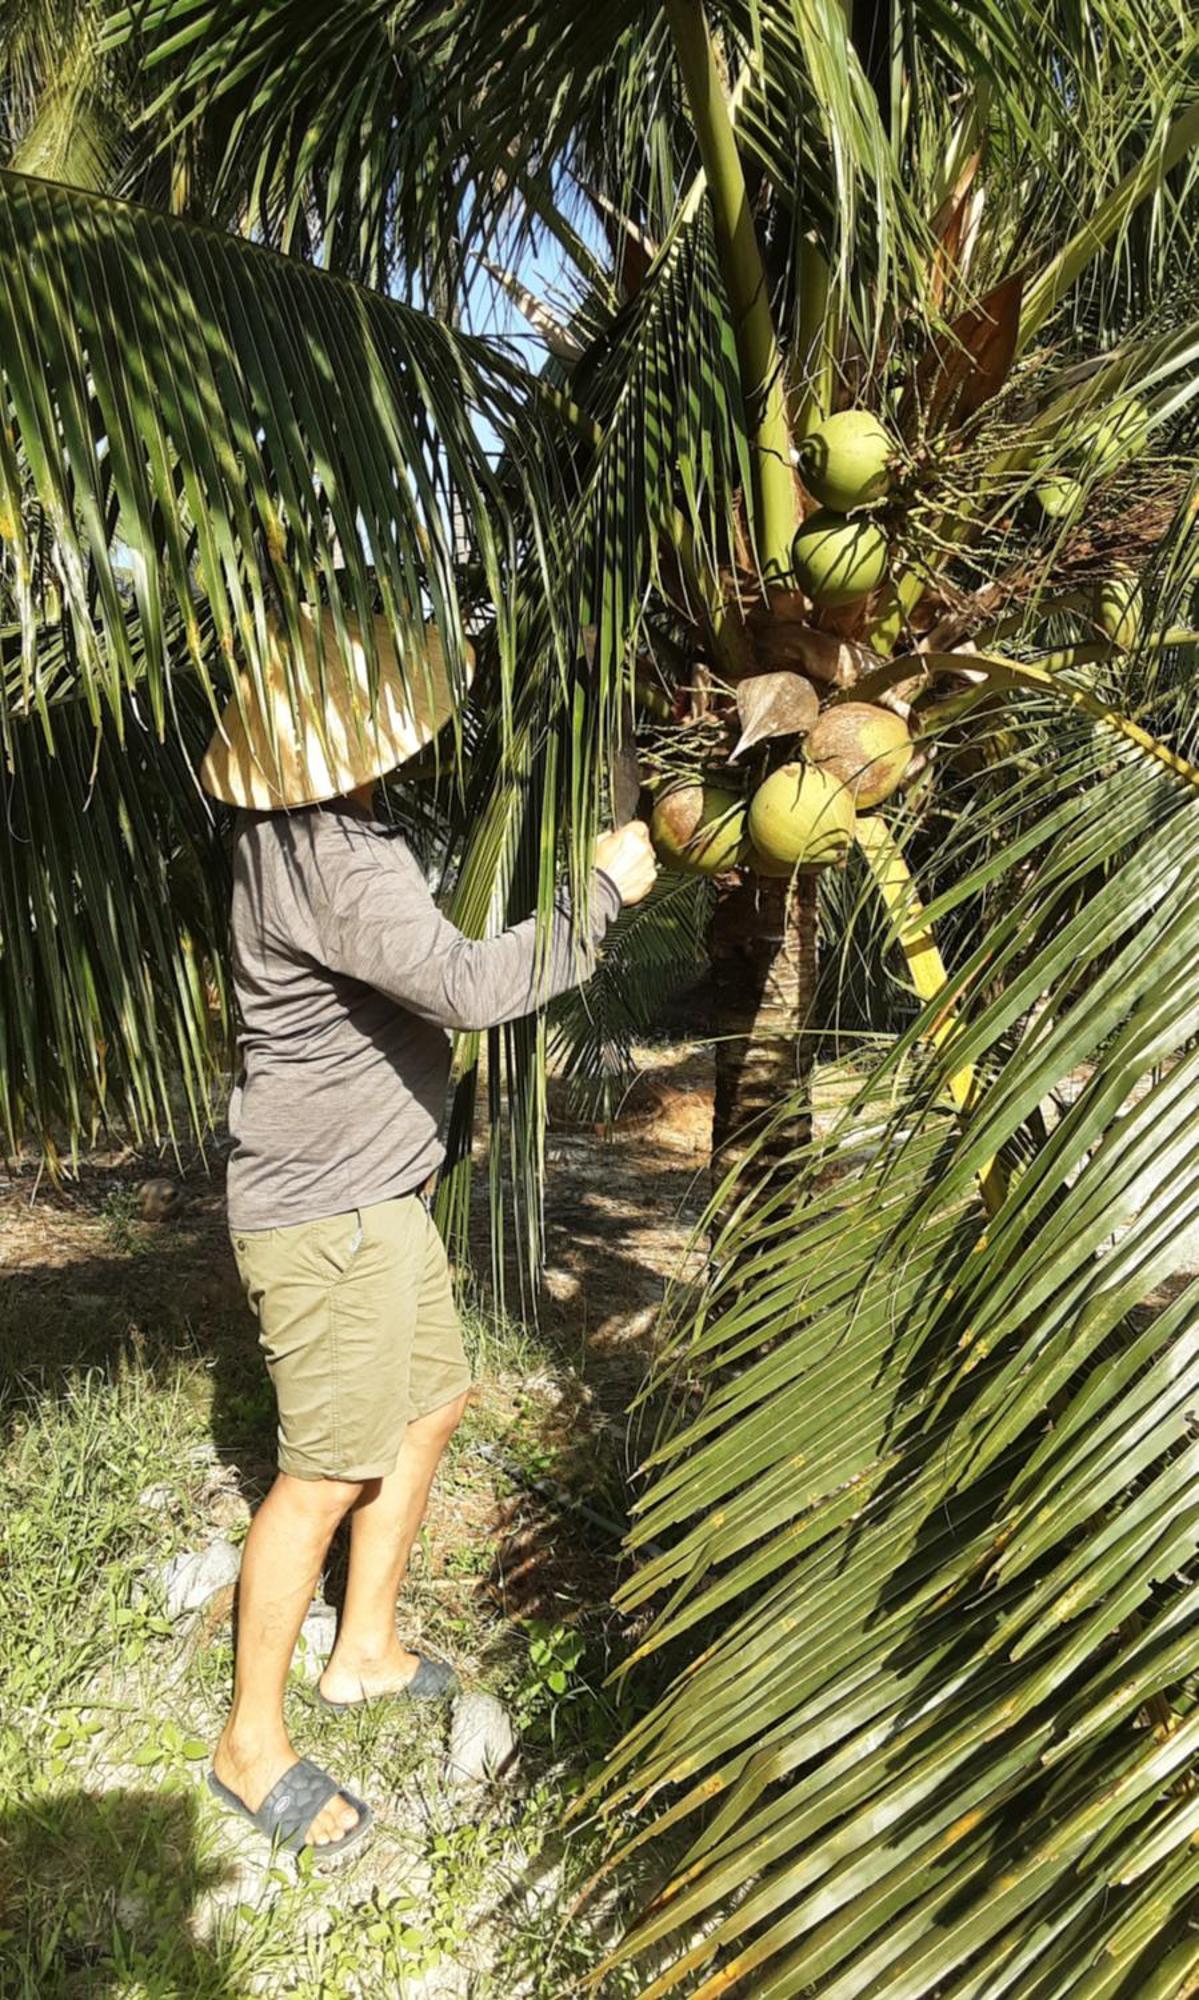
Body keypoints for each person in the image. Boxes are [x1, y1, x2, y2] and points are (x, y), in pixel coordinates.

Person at [197, 605, 656, 1861]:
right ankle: (249, 1741)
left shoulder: (293, 830)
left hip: (373, 1199)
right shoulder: (335, 860)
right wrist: (601, 895)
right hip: (323, 1214)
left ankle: (363, 1649)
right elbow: (467, 985)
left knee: (432, 1401)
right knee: (324, 1471)